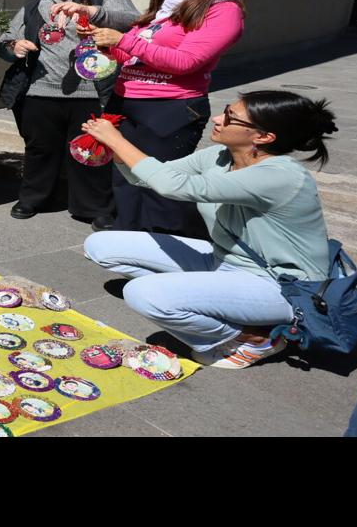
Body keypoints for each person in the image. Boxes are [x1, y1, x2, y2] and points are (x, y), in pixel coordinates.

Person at [80, 90, 339, 369]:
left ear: (264, 137)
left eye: (230, 117)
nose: (217, 118)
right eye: (225, 110)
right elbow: (153, 178)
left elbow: (173, 186)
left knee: (142, 294)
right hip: (223, 260)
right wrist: (116, 152)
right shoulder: (219, 155)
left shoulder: (279, 175)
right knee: (101, 246)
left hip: (280, 283)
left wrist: (117, 139)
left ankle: (251, 338)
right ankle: (221, 307)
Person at [74, 0, 245, 238]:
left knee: (160, 184)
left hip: (170, 107)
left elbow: (186, 61)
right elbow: (131, 57)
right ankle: (128, 241)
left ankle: (164, 249)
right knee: (124, 177)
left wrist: (123, 40)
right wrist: (105, 45)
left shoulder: (224, 10)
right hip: (125, 100)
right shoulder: (165, 9)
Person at [0, 0, 138, 227]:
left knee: (91, 152)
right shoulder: (34, 6)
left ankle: (95, 207)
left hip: (92, 92)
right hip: (39, 91)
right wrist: (15, 46)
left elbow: (134, 20)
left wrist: (90, 11)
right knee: (39, 149)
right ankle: (34, 198)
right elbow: (3, 44)